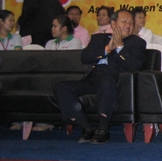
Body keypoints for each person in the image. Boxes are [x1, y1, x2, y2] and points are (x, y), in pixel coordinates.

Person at [53, 9, 146, 144]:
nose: (128, 25)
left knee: (106, 80)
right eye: (124, 21)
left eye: (131, 23)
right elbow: (84, 57)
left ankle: (103, 129)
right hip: (91, 80)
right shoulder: (98, 38)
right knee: (61, 87)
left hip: (114, 81)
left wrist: (119, 47)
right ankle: (85, 127)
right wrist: (107, 49)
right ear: (113, 24)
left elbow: (134, 66)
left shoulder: (137, 43)